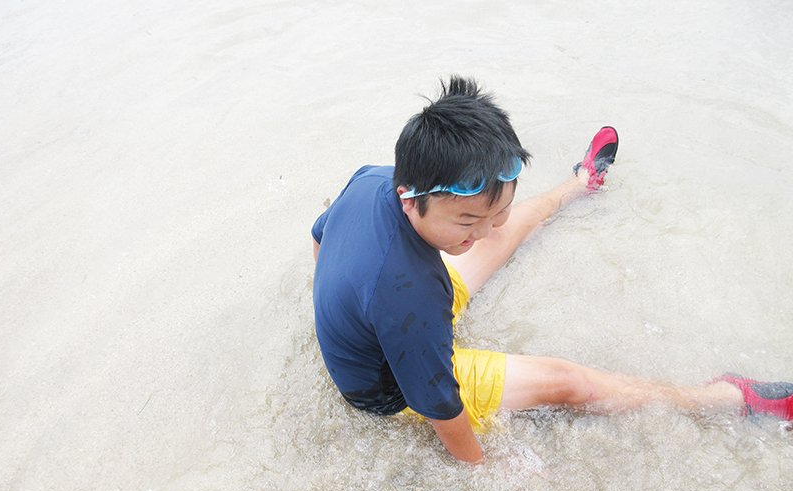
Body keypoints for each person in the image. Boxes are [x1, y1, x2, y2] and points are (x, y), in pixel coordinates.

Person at [311, 76, 793, 464]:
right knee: (567, 382)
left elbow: (319, 236)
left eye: (496, 210)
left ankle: (580, 185)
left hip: (389, 316)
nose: (482, 230)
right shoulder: (407, 295)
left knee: (500, 237)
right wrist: (480, 466)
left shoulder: (373, 179)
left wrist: (344, 314)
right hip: (387, 389)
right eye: (467, 220)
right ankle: (727, 398)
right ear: (410, 198)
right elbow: (440, 404)